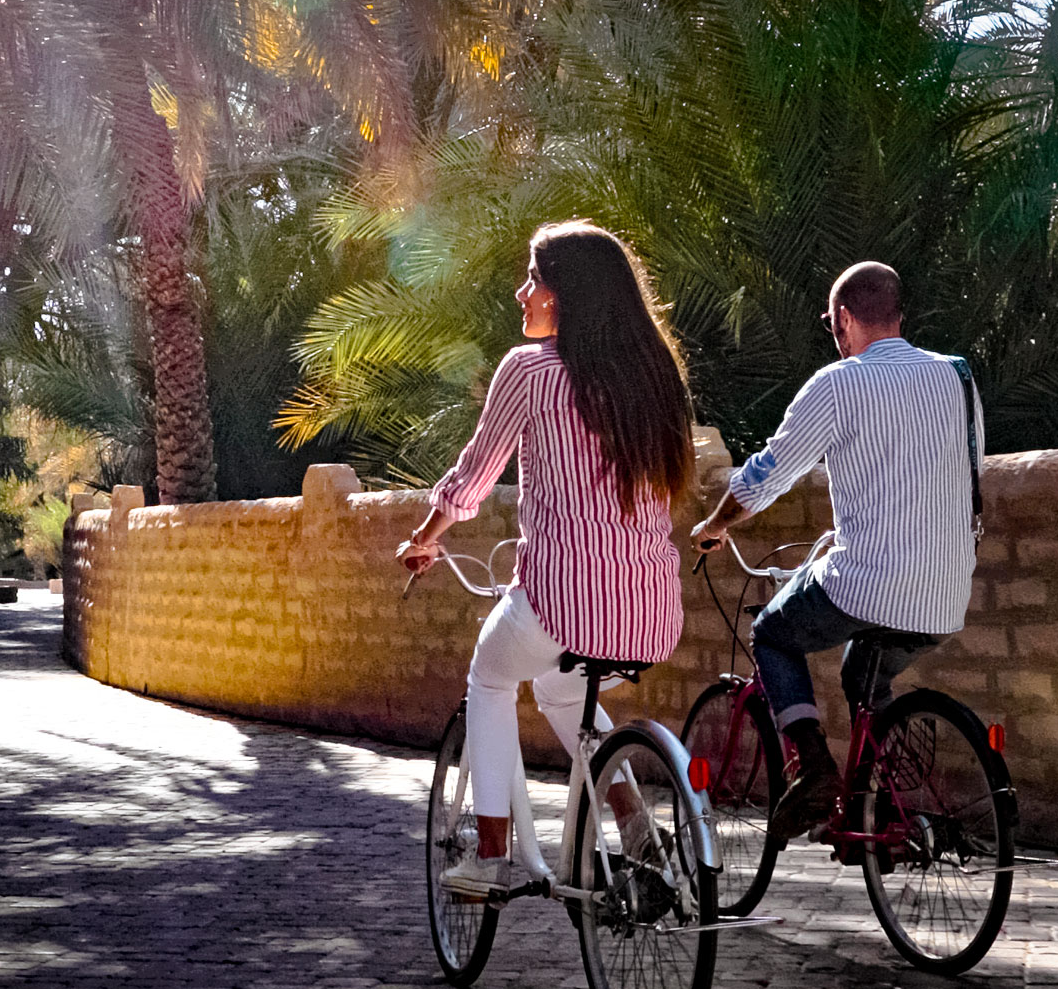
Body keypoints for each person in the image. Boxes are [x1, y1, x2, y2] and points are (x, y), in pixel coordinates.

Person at [396, 221, 696, 894]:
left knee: (491, 678)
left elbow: (474, 475)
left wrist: (427, 536)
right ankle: (637, 826)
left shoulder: (530, 371)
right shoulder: (652, 378)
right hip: (649, 615)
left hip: (560, 603)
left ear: (563, 296)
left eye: (533, 279)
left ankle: (493, 853)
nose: (520, 292)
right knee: (564, 689)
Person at [690, 261, 983, 838]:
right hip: (948, 593)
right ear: (899, 315)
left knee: (772, 633)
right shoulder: (959, 377)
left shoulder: (837, 384)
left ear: (844, 320)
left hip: (870, 582)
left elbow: (765, 478)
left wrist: (715, 524)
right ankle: (876, 811)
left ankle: (815, 768)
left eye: (833, 326)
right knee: (862, 678)